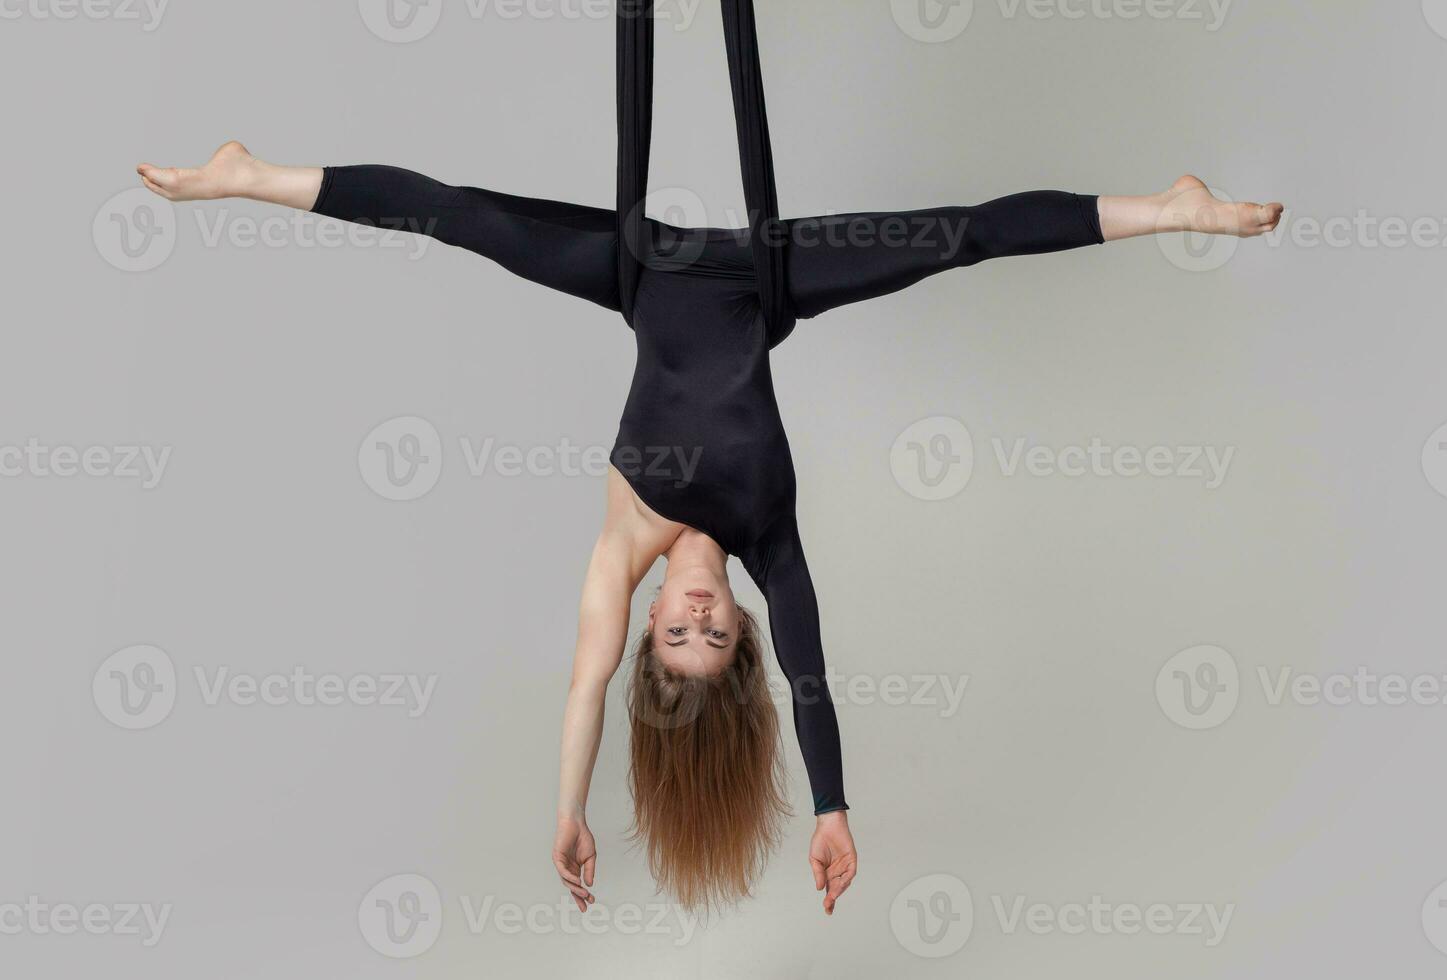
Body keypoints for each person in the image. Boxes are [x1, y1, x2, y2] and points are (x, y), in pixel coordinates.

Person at [137, 4, 1282, 920]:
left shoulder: (619, 548)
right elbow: (816, 684)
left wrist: (570, 809)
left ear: (649, 629)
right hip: (765, 280)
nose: (692, 611)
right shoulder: (773, 549)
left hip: (636, 273)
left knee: (459, 216)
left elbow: (585, 689)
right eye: (714, 634)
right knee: (959, 235)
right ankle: (1173, 210)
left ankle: (246, 177)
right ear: (738, 628)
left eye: (672, 633)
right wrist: (830, 808)